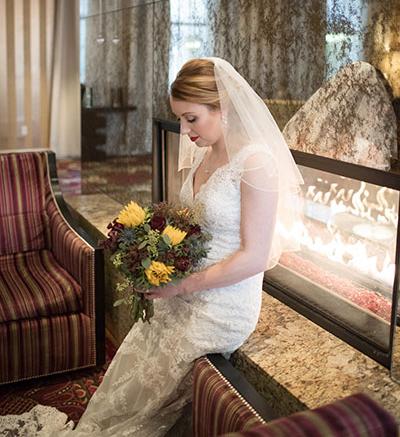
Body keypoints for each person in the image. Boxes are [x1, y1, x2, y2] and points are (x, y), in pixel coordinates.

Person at [0, 57, 303, 437]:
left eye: (191, 118)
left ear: (222, 108)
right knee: (138, 357)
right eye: (179, 118)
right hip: (187, 285)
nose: (184, 130)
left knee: (153, 393)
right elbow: (193, 224)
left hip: (224, 304)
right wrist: (158, 255)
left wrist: (181, 285)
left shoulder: (256, 163)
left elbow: (256, 256)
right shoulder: (206, 153)